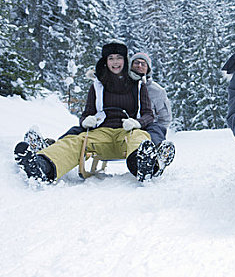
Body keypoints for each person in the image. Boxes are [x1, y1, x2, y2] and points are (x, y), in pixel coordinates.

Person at [14, 41, 163, 182]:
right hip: (101, 132)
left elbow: (149, 114)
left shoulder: (138, 85)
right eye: (111, 58)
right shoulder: (97, 86)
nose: (115, 62)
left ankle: (144, 167)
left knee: (140, 139)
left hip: (128, 132)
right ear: (106, 61)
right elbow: (87, 112)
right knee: (77, 141)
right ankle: (43, 167)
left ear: (125, 61)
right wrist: (86, 120)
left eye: (119, 58)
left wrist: (137, 122)